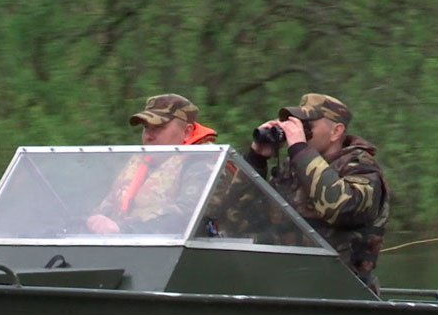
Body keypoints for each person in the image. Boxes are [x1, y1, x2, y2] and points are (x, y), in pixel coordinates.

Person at [244, 93, 389, 291]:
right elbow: (240, 218)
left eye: (307, 125)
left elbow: (342, 206)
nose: (299, 131)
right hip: (285, 285)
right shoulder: (293, 168)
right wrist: (256, 159)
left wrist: (300, 149)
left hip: (343, 291)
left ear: (336, 132)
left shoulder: (361, 167)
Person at [87, 94, 217, 234]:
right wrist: (89, 222)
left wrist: (123, 229)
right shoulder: (139, 164)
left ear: (187, 132)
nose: (149, 136)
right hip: (129, 250)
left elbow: (186, 216)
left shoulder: (202, 164)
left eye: (159, 127)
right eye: (146, 127)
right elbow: (107, 208)